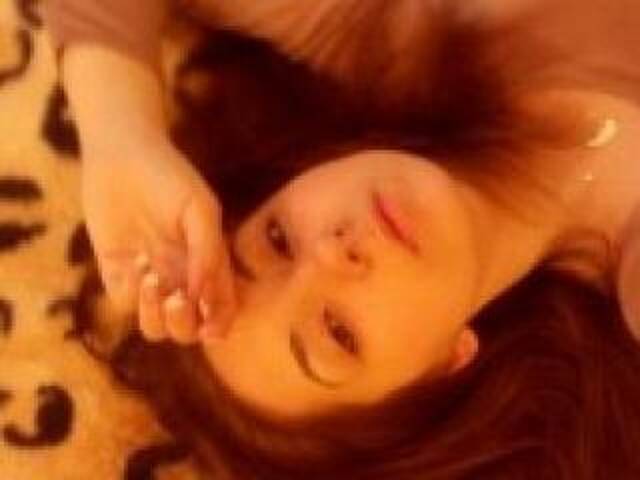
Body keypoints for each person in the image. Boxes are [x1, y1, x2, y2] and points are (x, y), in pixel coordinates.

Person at [44, 1, 640, 478]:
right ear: (443, 371)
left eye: (278, 239)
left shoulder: (380, 28)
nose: (332, 253)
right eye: (339, 332)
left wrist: (122, 135)